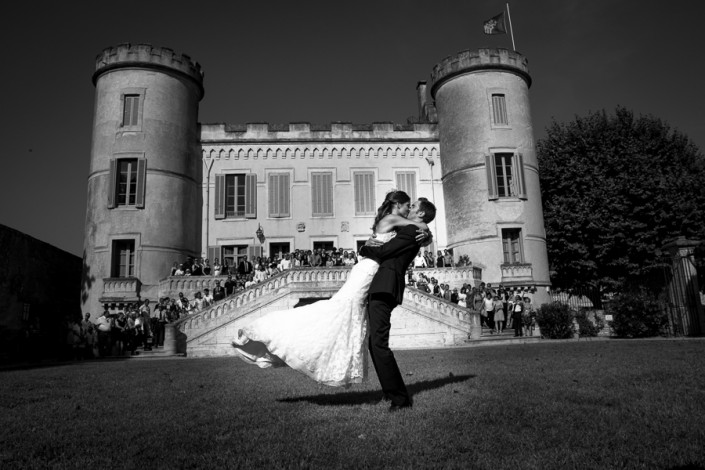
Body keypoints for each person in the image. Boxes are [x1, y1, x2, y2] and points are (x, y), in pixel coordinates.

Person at [232, 191, 432, 392]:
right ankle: (283, 335)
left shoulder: (396, 222)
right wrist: (426, 231)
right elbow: (418, 227)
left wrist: (427, 236)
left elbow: (412, 234)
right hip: (368, 270)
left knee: (341, 314)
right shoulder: (393, 218)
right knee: (336, 311)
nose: (409, 209)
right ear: (398, 205)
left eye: (413, 207)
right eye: (408, 205)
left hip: (371, 271)